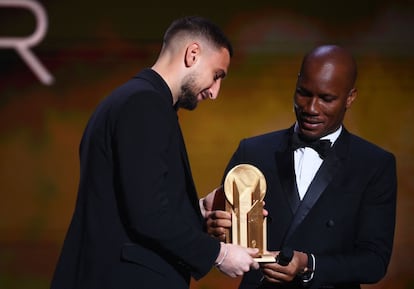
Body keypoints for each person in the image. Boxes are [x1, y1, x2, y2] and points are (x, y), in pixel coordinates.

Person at [50, 16, 260, 289]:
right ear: (192, 54)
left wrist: (194, 211)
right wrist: (220, 254)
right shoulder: (144, 104)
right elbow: (147, 213)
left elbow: (130, 199)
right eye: (217, 75)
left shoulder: (132, 100)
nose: (215, 92)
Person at [204, 44, 397, 289]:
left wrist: (308, 265)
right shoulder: (252, 151)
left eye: (326, 99)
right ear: (296, 84)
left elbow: (374, 262)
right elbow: (221, 231)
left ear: (350, 97)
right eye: (304, 93)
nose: (311, 108)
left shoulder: (374, 165)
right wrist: (215, 230)